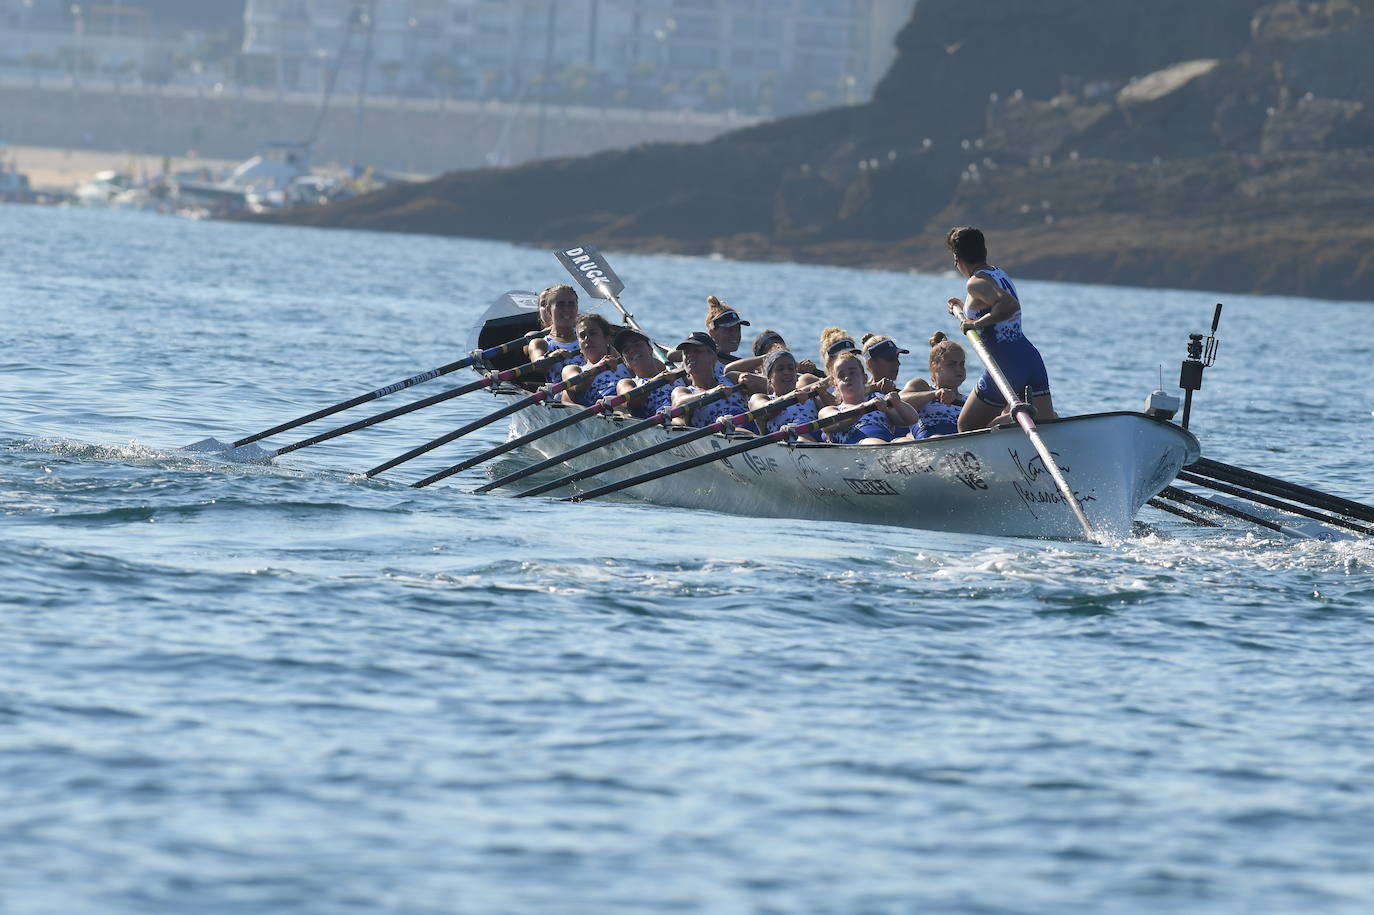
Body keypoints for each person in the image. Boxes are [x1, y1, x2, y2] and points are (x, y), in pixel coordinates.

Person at [945, 225, 1054, 431]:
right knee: (1047, 427)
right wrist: (962, 310)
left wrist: (975, 324)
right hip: (1030, 358)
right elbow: (991, 307)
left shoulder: (975, 283)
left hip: (1007, 363)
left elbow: (1009, 305)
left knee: (966, 425)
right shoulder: (998, 273)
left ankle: (1004, 434)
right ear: (983, 251)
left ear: (956, 258)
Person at [818, 351, 918, 445]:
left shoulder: (880, 402)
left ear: (864, 378)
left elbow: (912, 419)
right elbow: (831, 423)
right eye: (841, 375)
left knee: (904, 441)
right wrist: (865, 406)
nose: (847, 378)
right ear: (835, 384)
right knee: (874, 442)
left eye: (852, 373)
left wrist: (898, 404)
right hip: (857, 449)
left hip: (887, 445)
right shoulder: (829, 410)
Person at [670, 331, 751, 429]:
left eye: (697, 351)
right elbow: (678, 404)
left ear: (713, 357)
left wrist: (754, 381)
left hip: (750, 427)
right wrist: (709, 393)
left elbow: (770, 388)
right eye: (686, 352)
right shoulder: (684, 391)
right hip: (720, 436)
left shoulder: (732, 379)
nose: (690, 355)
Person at [749, 348, 822, 442]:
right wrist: (787, 397)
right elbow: (763, 410)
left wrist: (823, 394)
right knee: (799, 435)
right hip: (788, 437)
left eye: (791, 368)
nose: (786, 372)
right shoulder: (760, 398)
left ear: (796, 376)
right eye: (780, 369)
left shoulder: (811, 396)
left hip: (818, 434)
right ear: (769, 377)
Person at [908, 331, 968, 439]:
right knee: (937, 437)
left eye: (961, 364)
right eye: (951, 364)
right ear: (935, 366)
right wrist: (935, 394)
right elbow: (899, 402)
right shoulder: (921, 387)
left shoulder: (969, 401)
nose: (958, 369)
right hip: (930, 445)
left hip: (962, 445)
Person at [560, 313, 628, 407]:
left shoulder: (625, 364)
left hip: (631, 403)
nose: (587, 339)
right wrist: (598, 367)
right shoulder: (572, 369)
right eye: (582, 335)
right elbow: (575, 385)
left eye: (593, 333)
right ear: (579, 345)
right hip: (602, 408)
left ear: (607, 339)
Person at [613, 327, 681, 417]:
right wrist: (655, 381)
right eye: (626, 350)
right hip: (661, 424)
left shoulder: (678, 374)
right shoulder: (627, 383)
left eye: (637, 345)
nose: (632, 350)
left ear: (650, 349)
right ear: (625, 362)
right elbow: (628, 401)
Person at [527, 283, 581, 383]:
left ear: (577, 307)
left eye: (571, 304)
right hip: (565, 394)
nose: (567, 309)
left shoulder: (588, 336)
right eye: (560, 304)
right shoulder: (540, 343)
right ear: (548, 309)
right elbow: (537, 364)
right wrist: (551, 357)